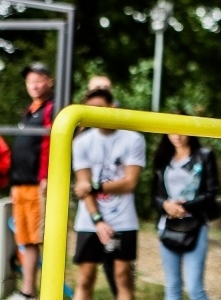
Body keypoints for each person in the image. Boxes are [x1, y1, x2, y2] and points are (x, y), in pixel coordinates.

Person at [72, 88, 146, 300]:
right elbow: (82, 186)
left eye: (99, 108)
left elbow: (129, 182)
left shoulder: (133, 139)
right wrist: (98, 220)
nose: (94, 114)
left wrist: (94, 187)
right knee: (85, 278)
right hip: (90, 219)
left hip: (123, 218)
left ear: (112, 107)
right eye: (90, 109)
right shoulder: (81, 142)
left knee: (123, 277)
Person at [151, 134, 220, 300]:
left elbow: (211, 192)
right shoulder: (163, 157)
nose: (177, 136)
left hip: (195, 225)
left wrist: (185, 206)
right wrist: (165, 205)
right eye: (172, 131)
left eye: (181, 130)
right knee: (172, 288)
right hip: (167, 225)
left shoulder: (204, 156)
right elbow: (154, 194)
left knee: (194, 289)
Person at [7, 62, 55, 300]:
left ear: (49, 81)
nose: (34, 85)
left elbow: (50, 144)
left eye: (38, 79)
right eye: (30, 81)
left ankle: (40, 291)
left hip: (38, 185)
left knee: (38, 238)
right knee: (25, 240)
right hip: (20, 185)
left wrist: (46, 176)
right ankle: (28, 292)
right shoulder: (29, 111)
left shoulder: (52, 109)